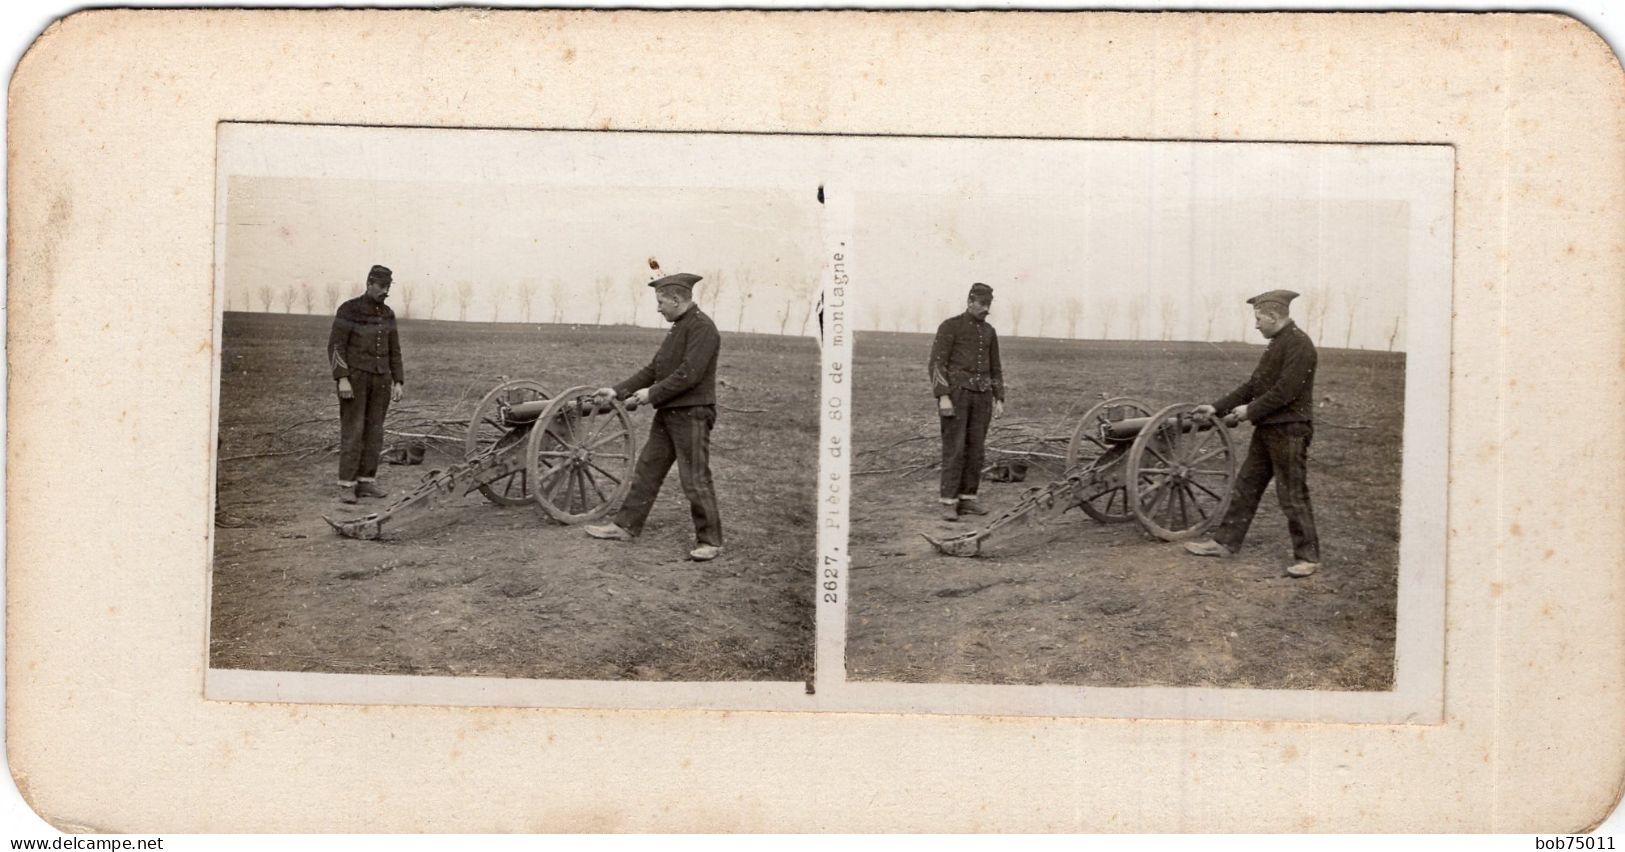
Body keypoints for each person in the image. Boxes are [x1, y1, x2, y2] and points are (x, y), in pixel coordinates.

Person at [583, 273, 724, 561]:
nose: (658, 308)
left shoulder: (703, 328)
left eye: (661, 302)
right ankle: (625, 527)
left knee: (694, 477)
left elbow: (689, 374)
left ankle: (710, 541)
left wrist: (651, 395)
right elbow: (653, 369)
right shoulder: (679, 328)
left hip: (692, 414)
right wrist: (617, 390)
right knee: (648, 469)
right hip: (670, 412)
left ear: (676, 299)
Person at [1183, 289, 1320, 577]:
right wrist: (1216, 407)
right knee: (1247, 485)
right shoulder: (1277, 344)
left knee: (1291, 493)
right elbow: (1253, 385)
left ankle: (1308, 557)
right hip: (1269, 428)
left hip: (1290, 430)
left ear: (1273, 316)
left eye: (1259, 319)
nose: (1255, 325)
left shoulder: (1300, 345)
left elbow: (1286, 391)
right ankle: (1224, 544)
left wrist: (1249, 411)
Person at [928, 282, 1005, 522]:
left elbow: (995, 367)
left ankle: (968, 498)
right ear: (970, 301)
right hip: (956, 396)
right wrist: (943, 396)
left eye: (988, 305)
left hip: (982, 397)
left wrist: (999, 397)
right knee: (955, 449)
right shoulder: (950, 326)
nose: (986, 309)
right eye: (982, 304)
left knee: (976, 449)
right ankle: (948, 502)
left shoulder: (990, 332)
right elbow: (936, 364)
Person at [328, 264, 404, 504]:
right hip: (355, 380)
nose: (385, 291)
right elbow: (335, 346)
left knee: (375, 433)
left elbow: (394, 349)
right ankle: (346, 485)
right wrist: (342, 378)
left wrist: (398, 380)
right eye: (382, 286)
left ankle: (366, 482)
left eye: (388, 287)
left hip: (381, 380)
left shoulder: (388, 314)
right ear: (369, 283)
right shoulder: (349, 309)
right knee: (354, 432)